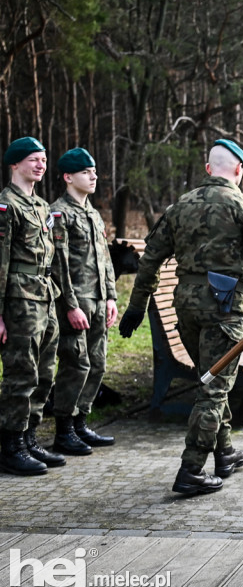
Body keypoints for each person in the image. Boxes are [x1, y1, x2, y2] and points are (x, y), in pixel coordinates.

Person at [119, 138, 243, 495]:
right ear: (238, 169)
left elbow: (151, 260)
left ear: (209, 169)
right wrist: (241, 281)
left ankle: (224, 453)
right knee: (215, 389)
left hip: (186, 309)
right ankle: (191, 470)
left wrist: (135, 307)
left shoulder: (180, 207)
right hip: (223, 313)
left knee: (212, 383)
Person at [0, 137, 75, 475]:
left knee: (44, 373)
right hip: (18, 300)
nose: (41, 165)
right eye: (33, 159)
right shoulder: (6, 205)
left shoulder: (43, 207)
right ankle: (10, 444)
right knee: (21, 374)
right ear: (15, 164)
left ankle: (30, 437)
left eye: (44, 160)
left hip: (44, 296)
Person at [49, 147, 119, 454]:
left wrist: (112, 297)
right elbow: (58, 265)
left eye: (93, 171)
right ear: (68, 177)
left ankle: (80, 423)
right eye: (85, 172)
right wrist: (70, 305)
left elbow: (105, 260)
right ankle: (63, 430)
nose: (93, 176)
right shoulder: (59, 213)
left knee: (97, 364)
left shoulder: (93, 213)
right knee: (75, 364)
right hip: (75, 302)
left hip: (98, 301)